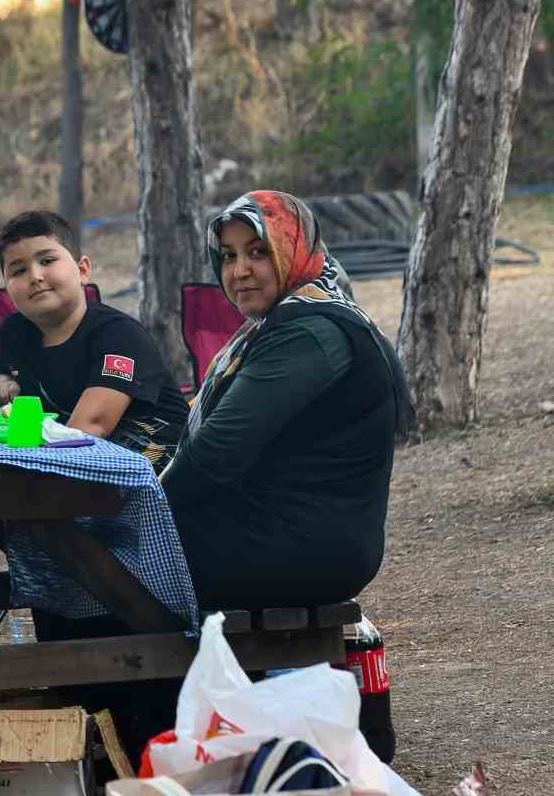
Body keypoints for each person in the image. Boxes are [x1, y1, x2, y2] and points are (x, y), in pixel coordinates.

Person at [161, 190, 413, 609]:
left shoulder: (308, 333)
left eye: (258, 251)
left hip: (299, 547)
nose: (239, 270)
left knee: (104, 553)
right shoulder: (289, 321)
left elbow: (215, 454)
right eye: (227, 256)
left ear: (291, 249)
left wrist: (143, 507)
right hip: (286, 531)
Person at [0, 210, 189, 471]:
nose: (35, 276)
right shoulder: (12, 332)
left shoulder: (119, 335)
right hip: (71, 462)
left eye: (47, 261)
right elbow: (7, 374)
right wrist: (6, 385)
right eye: (19, 270)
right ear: (6, 286)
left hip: (157, 469)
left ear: (83, 270)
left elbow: (91, 426)